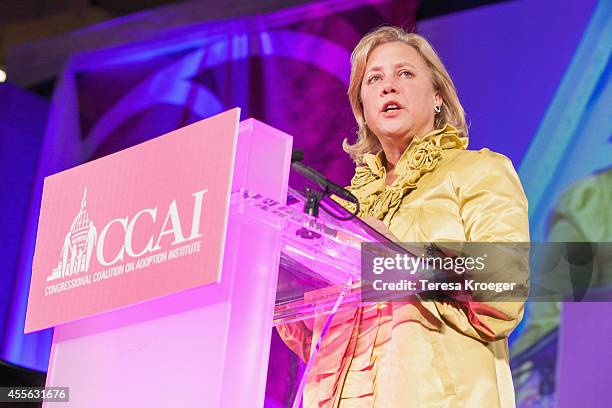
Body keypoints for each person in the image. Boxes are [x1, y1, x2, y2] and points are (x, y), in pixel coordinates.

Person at [278, 25, 530, 407]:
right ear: (362, 107)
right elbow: (309, 333)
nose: (388, 86)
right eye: (373, 78)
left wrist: (398, 254)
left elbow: (502, 291)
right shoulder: (342, 209)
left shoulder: (480, 171)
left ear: (438, 98)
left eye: (405, 73)